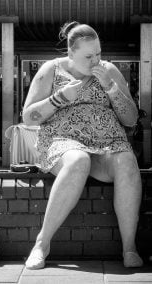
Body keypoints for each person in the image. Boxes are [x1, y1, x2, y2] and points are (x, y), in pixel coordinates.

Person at [22, 22, 143, 269]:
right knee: (78, 160)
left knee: (128, 161)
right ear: (71, 53)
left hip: (108, 143)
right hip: (63, 142)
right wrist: (59, 98)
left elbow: (131, 118)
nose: (95, 60)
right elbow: (28, 116)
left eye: (98, 53)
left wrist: (111, 87)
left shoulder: (109, 70)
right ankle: (42, 244)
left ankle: (129, 248)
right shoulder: (51, 70)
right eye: (88, 56)